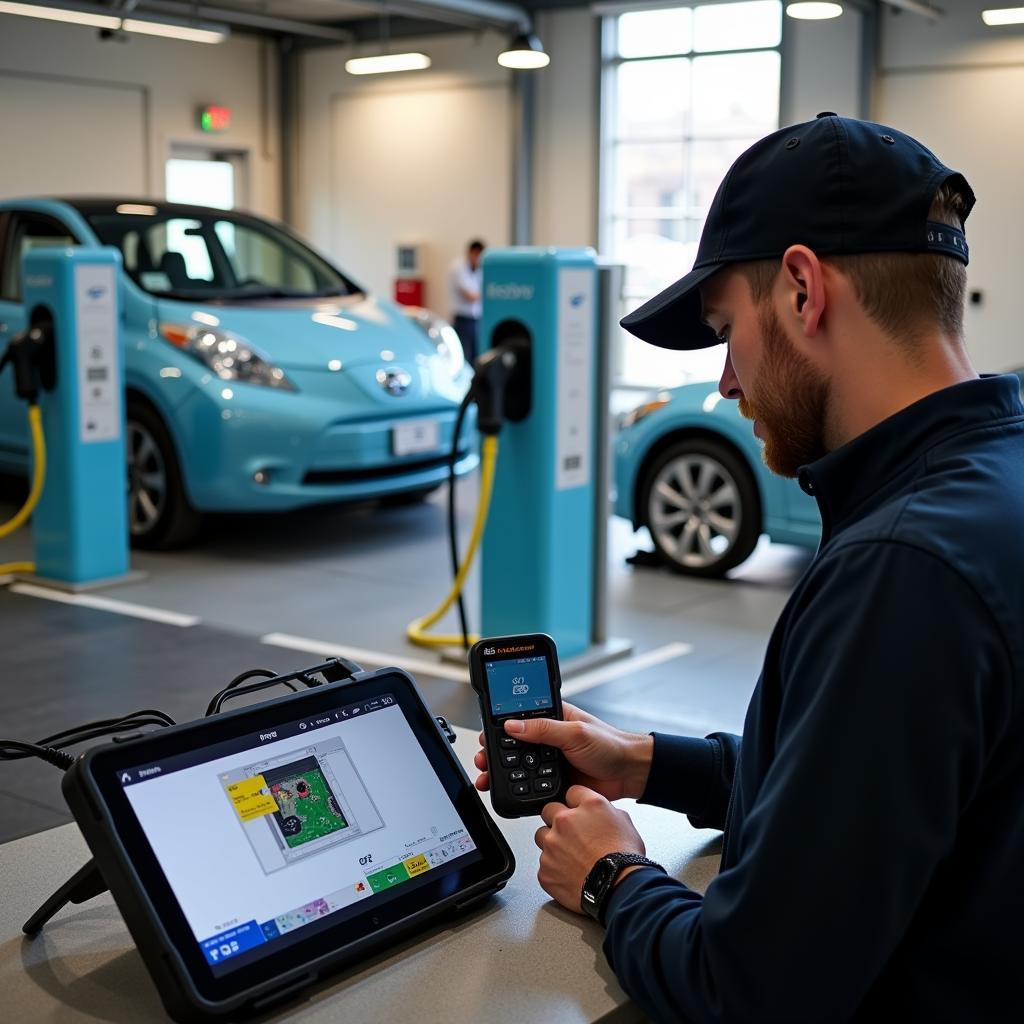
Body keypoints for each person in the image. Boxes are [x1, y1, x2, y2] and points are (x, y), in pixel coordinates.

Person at [475, 114, 1024, 1021]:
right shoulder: (988, 485)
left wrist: (613, 876)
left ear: (804, 289)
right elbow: (865, 792)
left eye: (728, 326)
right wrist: (644, 764)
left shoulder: (906, 568)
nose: (727, 382)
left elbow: (751, 987)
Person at [449, 239, 484, 364]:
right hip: (463, 320)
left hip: (478, 319)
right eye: (476, 255)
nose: (478, 259)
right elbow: (471, 296)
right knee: (464, 356)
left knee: (478, 356)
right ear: (470, 252)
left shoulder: (480, 269)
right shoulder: (458, 267)